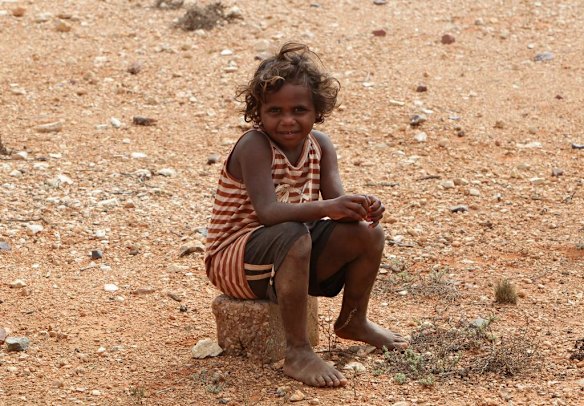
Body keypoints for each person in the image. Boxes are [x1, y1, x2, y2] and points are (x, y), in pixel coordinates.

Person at [205, 42, 408, 388]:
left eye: (299, 110)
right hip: (234, 257)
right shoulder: (254, 146)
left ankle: (353, 321)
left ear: (317, 110)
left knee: (367, 233)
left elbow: (336, 202)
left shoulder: (321, 145)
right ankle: (297, 351)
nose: (287, 120)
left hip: (288, 254)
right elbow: (268, 212)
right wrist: (330, 208)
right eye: (275, 111)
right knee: (294, 233)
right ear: (259, 113)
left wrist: (361, 206)